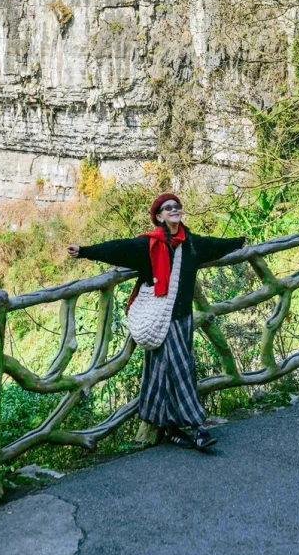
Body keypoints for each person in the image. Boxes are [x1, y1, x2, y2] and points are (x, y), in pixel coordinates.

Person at [67, 193, 246, 451]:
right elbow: (118, 248)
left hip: (182, 319)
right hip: (161, 318)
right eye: (167, 208)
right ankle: (198, 428)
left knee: (162, 372)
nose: (174, 209)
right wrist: (85, 251)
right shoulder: (150, 246)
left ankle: (168, 426)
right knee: (183, 369)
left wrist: (238, 242)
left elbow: (215, 244)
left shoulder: (192, 244)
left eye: (177, 206)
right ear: (159, 217)